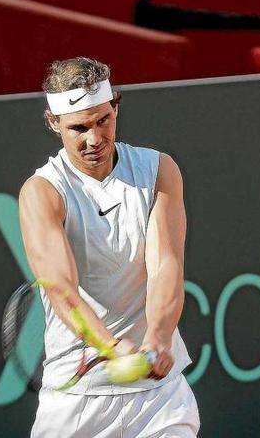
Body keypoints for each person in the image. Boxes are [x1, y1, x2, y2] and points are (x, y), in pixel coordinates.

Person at [18, 57, 200, 437]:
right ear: (55, 124)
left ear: (115, 105)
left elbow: (166, 265)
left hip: (158, 401)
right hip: (76, 402)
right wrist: (112, 346)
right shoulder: (42, 192)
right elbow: (61, 289)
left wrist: (159, 337)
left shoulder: (158, 170)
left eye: (103, 120)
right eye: (78, 128)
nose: (94, 139)